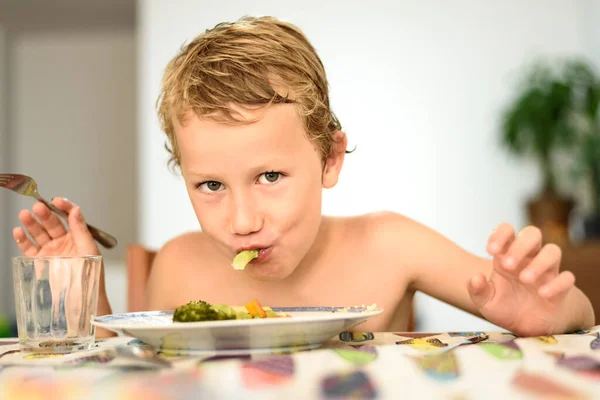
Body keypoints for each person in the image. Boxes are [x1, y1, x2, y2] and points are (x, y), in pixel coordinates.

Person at [12, 16, 594, 337]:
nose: (242, 221)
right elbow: (131, 374)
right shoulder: (180, 265)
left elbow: (570, 318)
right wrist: (81, 290)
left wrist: (553, 316)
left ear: (329, 160)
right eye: (210, 185)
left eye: (269, 175)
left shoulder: (392, 245)